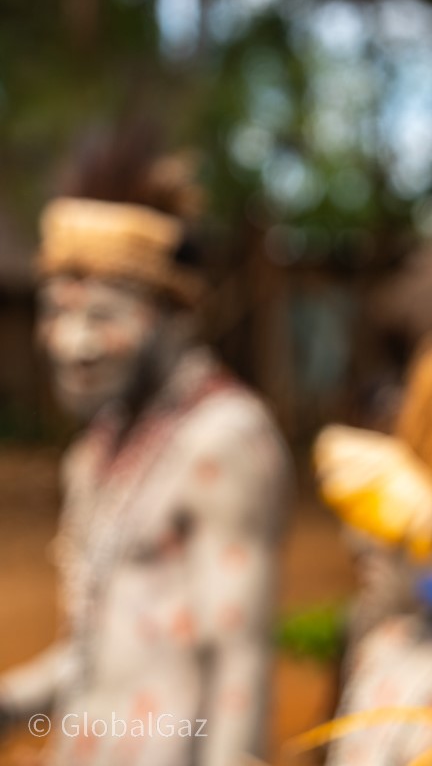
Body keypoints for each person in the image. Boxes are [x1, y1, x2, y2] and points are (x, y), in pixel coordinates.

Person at [0, 141, 290, 765]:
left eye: (104, 315)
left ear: (169, 316)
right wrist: (11, 703)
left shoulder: (224, 440)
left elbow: (237, 662)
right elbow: (102, 657)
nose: (74, 345)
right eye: (58, 312)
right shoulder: (95, 453)